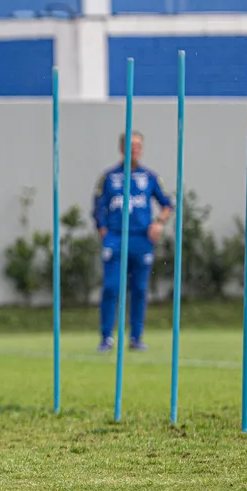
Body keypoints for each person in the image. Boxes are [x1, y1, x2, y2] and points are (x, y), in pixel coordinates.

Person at [91, 130, 173, 353]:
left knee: (139, 289)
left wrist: (158, 223)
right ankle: (106, 337)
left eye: (138, 146)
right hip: (116, 238)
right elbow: (98, 207)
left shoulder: (150, 178)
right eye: (130, 145)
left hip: (141, 239)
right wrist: (104, 231)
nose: (134, 149)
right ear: (122, 148)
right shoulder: (108, 178)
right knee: (111, 287)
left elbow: (167, 204)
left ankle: (136, 337)